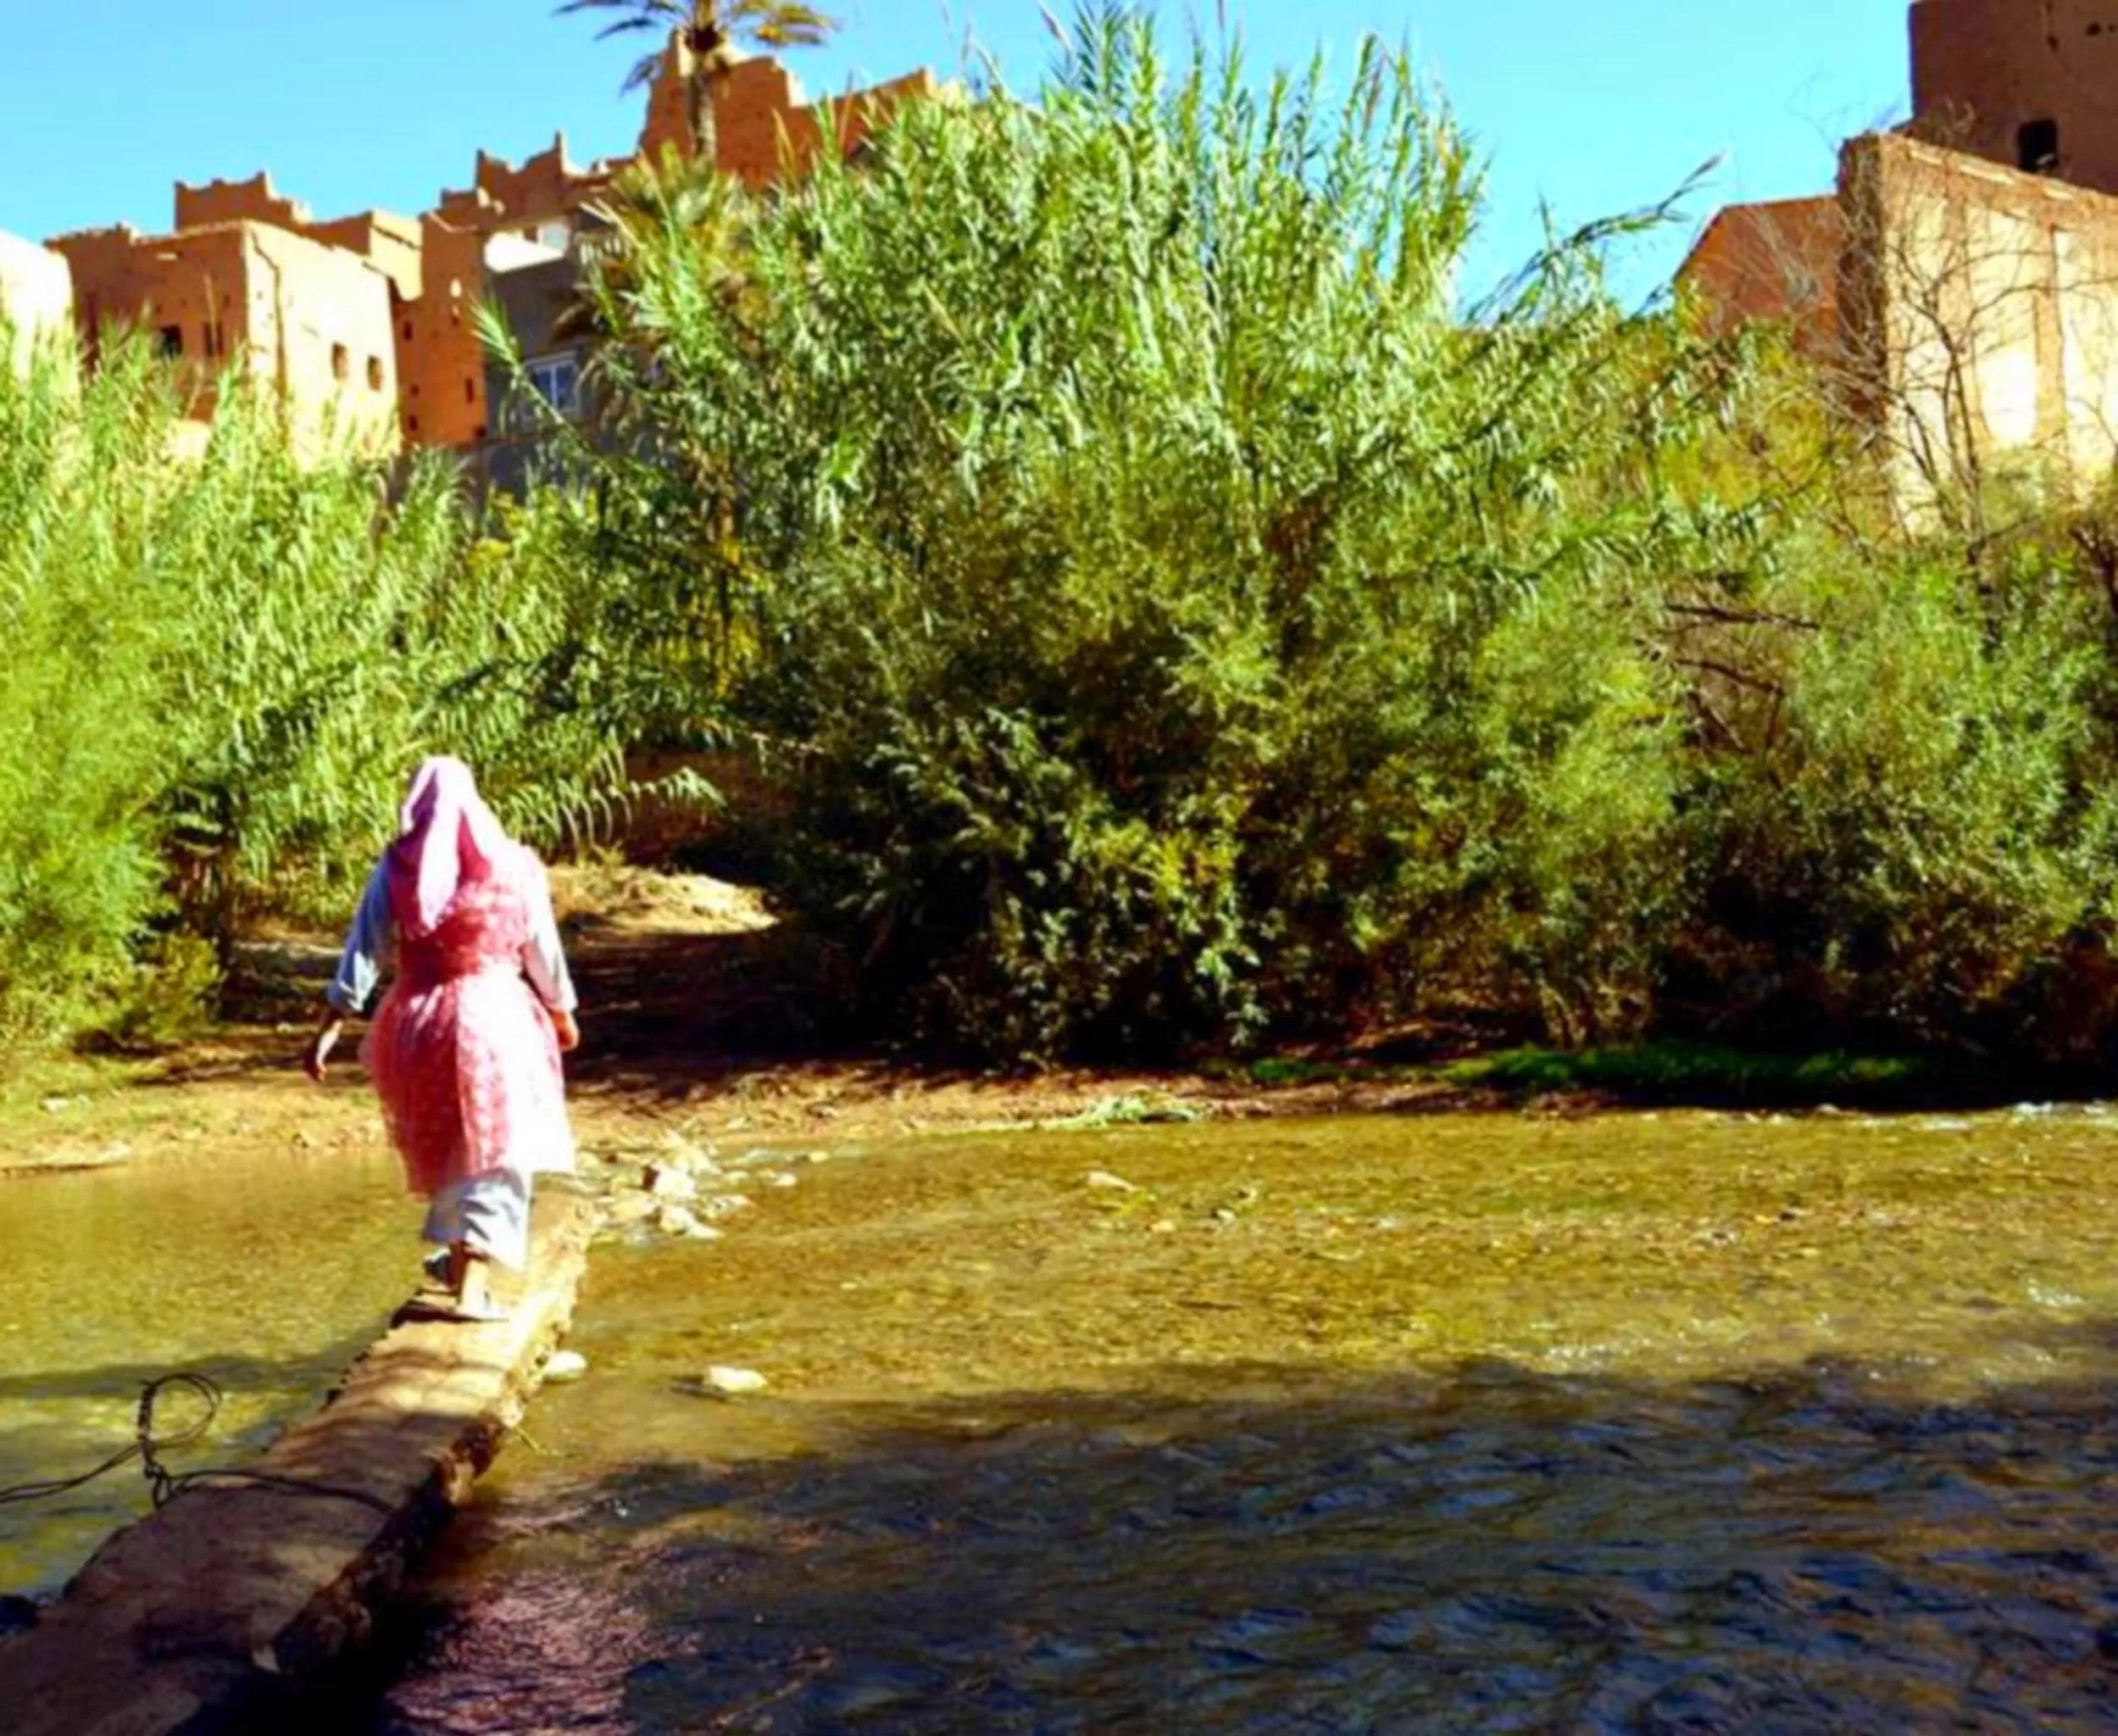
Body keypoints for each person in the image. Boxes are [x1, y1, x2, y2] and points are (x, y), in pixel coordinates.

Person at [303, 756, 581, 1322]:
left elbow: (366, 946)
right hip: (496, 1016)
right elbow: (541, 949)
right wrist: (560, 1009)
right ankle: (472, 1286)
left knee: (450, 1144)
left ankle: (458, 1262)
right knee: (496, 1149)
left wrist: (332, 1022)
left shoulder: (398, 868)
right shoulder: (514, 867)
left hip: (419, 1020)